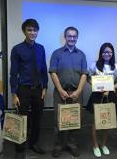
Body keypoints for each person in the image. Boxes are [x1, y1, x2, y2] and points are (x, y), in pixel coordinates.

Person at [10, 19, 48, 159]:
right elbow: (13, 72)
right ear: (24, 31)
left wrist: (45, 87)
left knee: (37, 117)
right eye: (29, 30)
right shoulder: (17, 49)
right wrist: (14, 93)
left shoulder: (41, 48)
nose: (32, 33)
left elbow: (44, 69)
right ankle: (20, 149)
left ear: (38, 31)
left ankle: (33, 143)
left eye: (34, 30)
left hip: (38, 89)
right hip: (23, 89)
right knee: (22, 118)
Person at [49, 26, 88, 158]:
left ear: (77, 37)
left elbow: (84, 75)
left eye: (74, 36)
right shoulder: (57, 53)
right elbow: (53, 72)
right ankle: (58, 145)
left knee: (75, 121)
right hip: (61, 93)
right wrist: (60, 90)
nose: (72, 38)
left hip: (77, 93)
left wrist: (78, 91)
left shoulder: (81, 54)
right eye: (69, 36)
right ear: (65, 37)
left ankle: (72, 145)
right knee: (59, 121)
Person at [86, 43, 117, 157]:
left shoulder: (116, 67)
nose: (107, 54)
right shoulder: (94, 65)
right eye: (105, 52)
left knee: (107, 122)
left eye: (110, 52)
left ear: (113, 53)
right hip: (97, 96)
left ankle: (104, 145)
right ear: (101, 53)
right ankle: (95, 145)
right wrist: (96, 86)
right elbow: (88, 78)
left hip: (110, 96)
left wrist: (110, 88)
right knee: (96, 122)